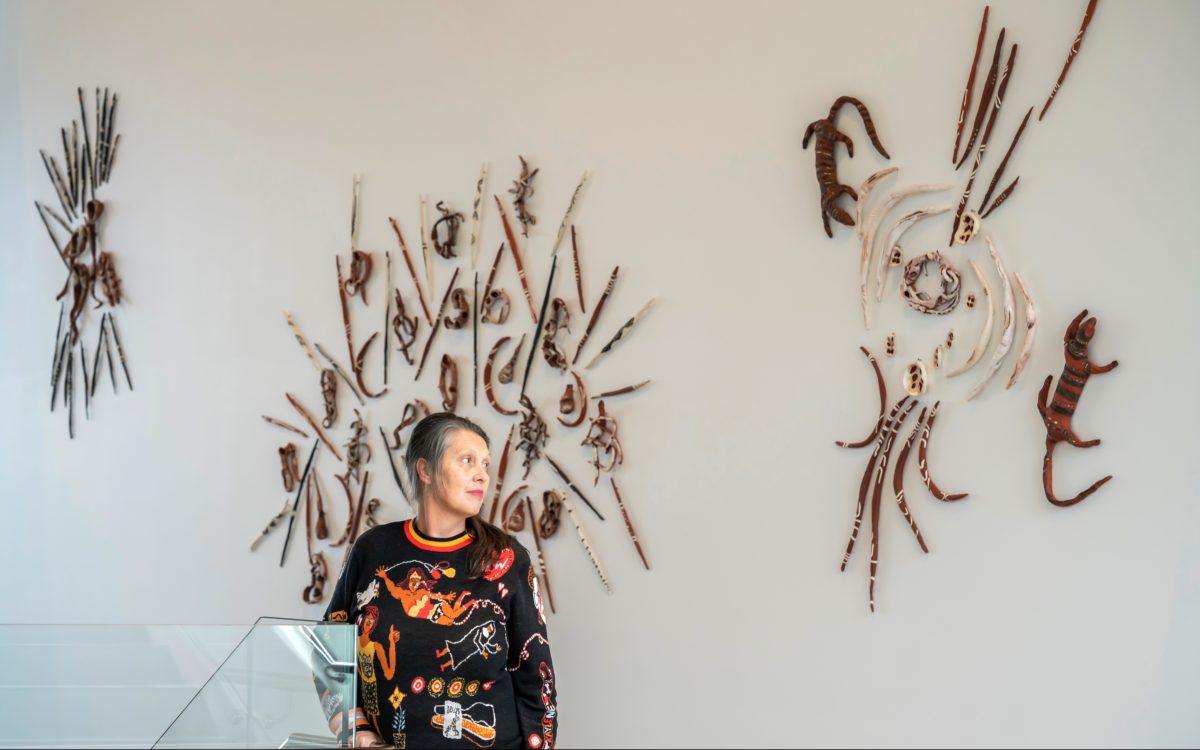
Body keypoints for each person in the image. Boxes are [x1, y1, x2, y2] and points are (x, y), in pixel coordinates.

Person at [316, 412, 558, 749]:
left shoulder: (506, 559)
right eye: (467, 460)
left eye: (485, 464)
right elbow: (327, 646)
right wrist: (355, 730)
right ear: (425, 470)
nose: (482, 475)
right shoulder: (374, 550)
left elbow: (537, 678)